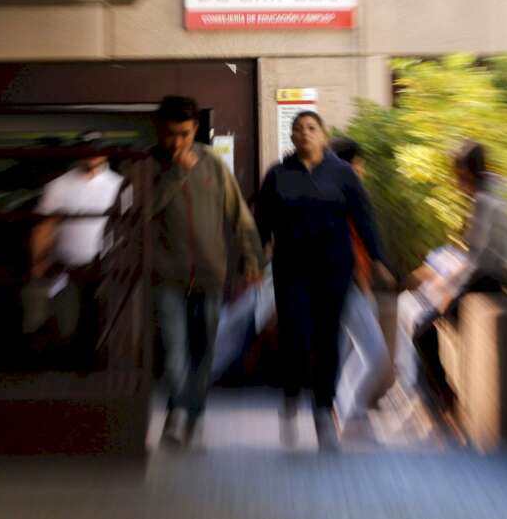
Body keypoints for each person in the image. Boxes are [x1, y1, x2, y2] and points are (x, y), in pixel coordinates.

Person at [255, 112, 394, 450]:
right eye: (298, 130)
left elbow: (364, 217)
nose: (304, 134)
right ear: (292, 137)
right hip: (291, 270)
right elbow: (261, 221)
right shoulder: (278, 175)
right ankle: (290, 396)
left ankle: (322, 412)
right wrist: (254, 258)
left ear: (323, 133)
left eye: (311, 128)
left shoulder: (343, 174)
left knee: (327, 341)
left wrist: (379, 260)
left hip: (333, 270)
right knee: (295, 337)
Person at [148, 96, 265, 447]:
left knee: (205, 350)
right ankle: (177, 414)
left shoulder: (213, 164)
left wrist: (252, 259)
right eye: (170, 134)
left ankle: (194, 414)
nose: (177, 142)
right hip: (167, 276)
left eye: (184, 133)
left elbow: (239, 215)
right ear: (159, 129)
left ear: (196, 128)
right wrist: (175, 173)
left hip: (212, 275)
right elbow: (140, 212)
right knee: (174, 352)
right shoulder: (147, 166)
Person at [397, 141, 507, 411]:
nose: (456, 181)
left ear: (467, 171)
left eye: (458, 173)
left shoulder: (485, 200)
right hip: (493, 276)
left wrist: (450, 293)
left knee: (422, 329)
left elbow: (480, 261)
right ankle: (442, 396)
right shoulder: (497, 187)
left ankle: (444, 398)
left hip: (489, 279)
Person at [30, 130, 124, 370]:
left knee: (101, 322)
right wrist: (38, 263)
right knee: (67, 323)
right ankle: (67, 374)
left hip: (105, 267)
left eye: (96, 149)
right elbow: (44, 227)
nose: (92, 155)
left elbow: (128, 229)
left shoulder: (120, 186)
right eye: (87, 149)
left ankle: (97, 374)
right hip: (67, 267)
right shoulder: (59, 186)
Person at [328, 137, 394, 443]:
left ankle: (340, 409)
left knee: (343, 352)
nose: (363, 168)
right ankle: (349, 411)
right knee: (376, 354)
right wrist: (374, 268)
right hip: (348, 285)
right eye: (359, 162)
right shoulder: (344, 193)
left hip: (345, 284)